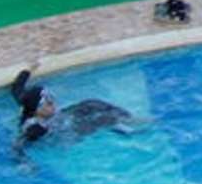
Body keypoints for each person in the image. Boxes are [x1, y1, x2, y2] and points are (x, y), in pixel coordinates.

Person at [8, 68, 139, 159]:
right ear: (37, 109)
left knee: (92, 103)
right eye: (48, 102)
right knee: (101, 119)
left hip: (63, 119)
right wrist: (24, 163)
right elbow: (18, 144)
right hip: (66, 134)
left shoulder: (26, 103)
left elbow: (17, 89)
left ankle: (129, 118)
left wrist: (28, 70)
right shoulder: (35, 127)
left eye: (51, 98)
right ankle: (128, 130)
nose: (53, 103)